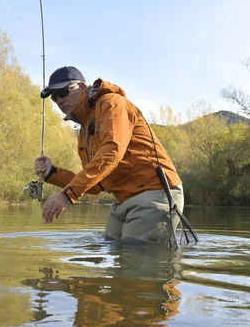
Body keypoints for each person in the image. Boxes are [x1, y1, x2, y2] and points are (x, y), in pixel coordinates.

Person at [35, 66, 184, 243]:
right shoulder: (84, 132)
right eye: (54, 97)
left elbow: (112, 151)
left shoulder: (111, 103)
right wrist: (53, 173)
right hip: (124, 201)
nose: (59, 100)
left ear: (82, 86)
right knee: (112, 245)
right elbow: (97, 184)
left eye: (63, 91)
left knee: (134, 255)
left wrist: (67, 195)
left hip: (155, 193)